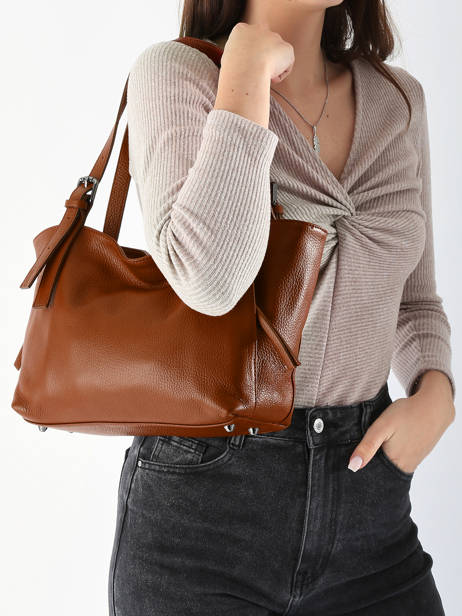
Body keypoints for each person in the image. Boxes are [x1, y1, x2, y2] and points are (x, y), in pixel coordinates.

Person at [108, 1, 456, 614]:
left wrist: (437, 394)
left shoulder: (399, 100)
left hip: (370, 514)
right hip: (203, 516)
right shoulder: (176, 73)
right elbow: (207, 280)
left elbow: (414, 300)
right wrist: (244, 76)